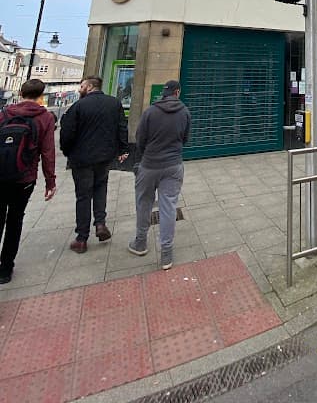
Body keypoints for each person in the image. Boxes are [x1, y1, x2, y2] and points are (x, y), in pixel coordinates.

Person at [60, 76, 129, 253]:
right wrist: (123, 150)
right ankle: (100, 223)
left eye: (82, 86)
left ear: (90, 87)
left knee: (83, 196)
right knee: (100, 189)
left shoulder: (78, 106)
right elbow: (122, 127)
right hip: (104, 157)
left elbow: (67, 133)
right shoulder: (114, 103)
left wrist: (67, 152)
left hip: (82, 159)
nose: (79, 89)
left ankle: (82, 238)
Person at [128, 80, 190, 270]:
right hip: (173, 165)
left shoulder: (150, 112)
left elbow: (140, 139)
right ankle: (166, 254)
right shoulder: (185, 112)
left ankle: (140, 242)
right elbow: (185, 138)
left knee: (144, 203)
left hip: (149, 164)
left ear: (164, 93)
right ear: (177, 92)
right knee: (169, 207)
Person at [0, 79, 56, 283]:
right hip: (24, 178)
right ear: (41, 95)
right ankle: (5, 269)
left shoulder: (5, 113)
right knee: (15, 220)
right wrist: (50, 182)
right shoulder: (45, 117)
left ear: (21, 92)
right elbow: (48, 152)